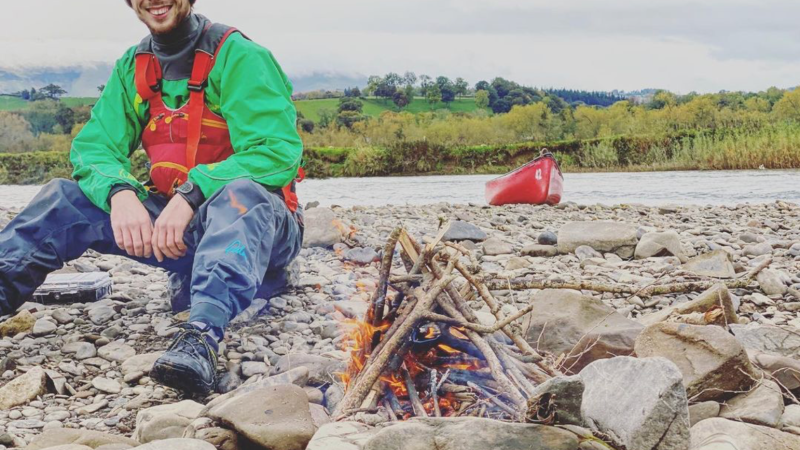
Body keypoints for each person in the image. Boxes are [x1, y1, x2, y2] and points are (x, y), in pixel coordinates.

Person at [0, 0, 304, 395]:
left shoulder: (240, 56)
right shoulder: (134, 66)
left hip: (261, 227)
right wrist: (120, 191)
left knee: (241, 194)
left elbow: (276, 151)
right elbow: (95, 148)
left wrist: (192, 193)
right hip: (178, 229)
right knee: (63, 198)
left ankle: (200, 337)